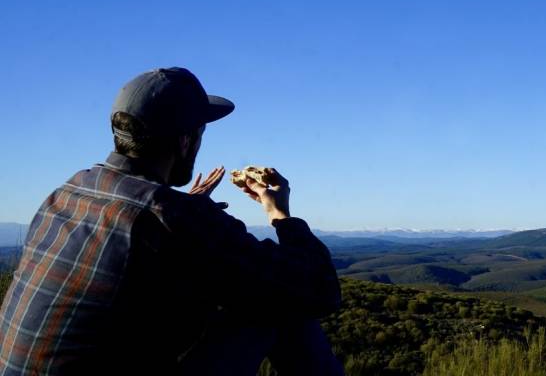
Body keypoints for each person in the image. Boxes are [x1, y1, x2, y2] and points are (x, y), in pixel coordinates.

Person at [0, 67, 343, 375]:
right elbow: (320, 289)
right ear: (185, 141)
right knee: (280, 308)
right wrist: (279, 214)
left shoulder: (66, 194)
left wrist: (184, 210)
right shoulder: (175, 216)